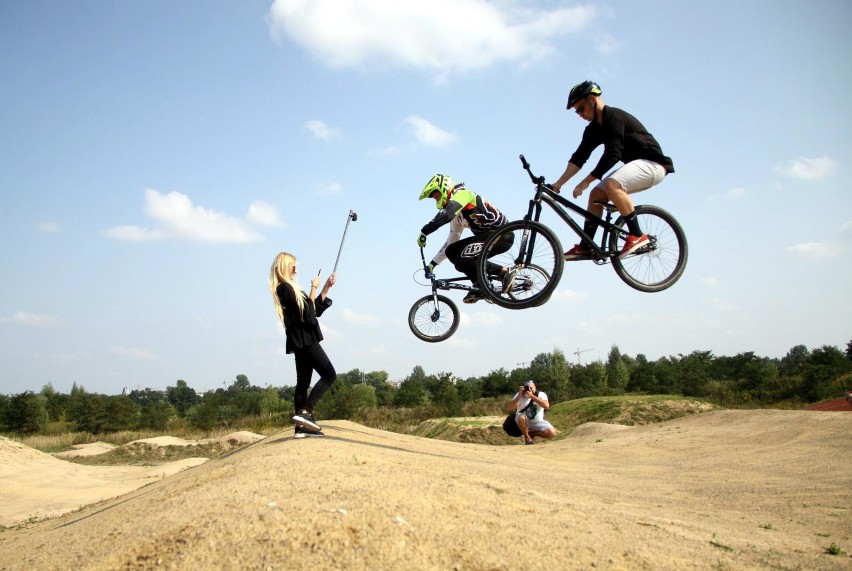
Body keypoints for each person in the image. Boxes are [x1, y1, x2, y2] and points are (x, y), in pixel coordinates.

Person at [551, 80, 674, 261]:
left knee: (611, 184)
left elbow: (612, 154)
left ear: (593, 99)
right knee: (595, 195)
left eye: (581, 109)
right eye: (577, 111)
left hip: (653, 165)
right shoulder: (593, 130)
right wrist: (559, 183)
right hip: (636, 166)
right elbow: (579, 157)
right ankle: (587, 246)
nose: (579, 114)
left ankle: (638, 235)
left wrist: (585, 181)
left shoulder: (614, 118)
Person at [417, 174, 516, 303]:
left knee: (462, 260)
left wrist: (425, 231)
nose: (437, 201)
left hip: (502, 235)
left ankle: (504, 272)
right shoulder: (456, 217)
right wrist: (433, 264)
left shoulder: (463, 194)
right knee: (452, 251)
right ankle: (479, 283)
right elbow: (451, 242)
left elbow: (445, 215)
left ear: (444, 188)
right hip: (487, 238)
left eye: (437, 196)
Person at [269, 252, 337, 438]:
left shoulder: (290, 288)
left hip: (300, 342)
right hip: (306, 341)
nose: (296, 269)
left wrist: (325, 288)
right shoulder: (285, 288)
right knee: (329, 375)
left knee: (303, 383)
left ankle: (300, 428)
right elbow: (309, 315)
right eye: (293, 265)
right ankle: (306, 412)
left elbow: (314, 311)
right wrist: (314, 288)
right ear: (284, 266)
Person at [507, 380, 557, 445]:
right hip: (522, 421)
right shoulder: (519, 395)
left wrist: (532, 396)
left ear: (535, 388)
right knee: (521, 416)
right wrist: (519, 395)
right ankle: (527, 438)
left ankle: (532, 434)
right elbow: (510, 408)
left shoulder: (541, 394)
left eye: (531, 388)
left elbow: (546, 406)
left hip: (537, 422)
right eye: (527, 388)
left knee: (552, 433)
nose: (528, 389)